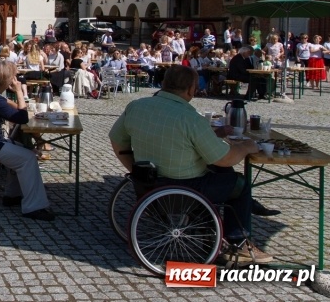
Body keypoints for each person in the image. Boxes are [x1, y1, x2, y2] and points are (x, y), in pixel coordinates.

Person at [109, 65, 276, 263]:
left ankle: (225, 223)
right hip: (186, 188)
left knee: (223, 172)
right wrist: (246, 147)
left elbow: (117, 140)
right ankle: (239, 242)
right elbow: (225, 158)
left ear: (164, 83)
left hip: (149, 184)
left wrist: (135, 170)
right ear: (191, 89)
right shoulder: (191, 119)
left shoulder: (136, 106)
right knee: (239, 184)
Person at [0, 60, 54, 221]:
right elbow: (22, 118)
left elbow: (9, 109)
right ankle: (34, 207)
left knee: (23, 151)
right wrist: (19, 91)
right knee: (28, 158)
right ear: (7, 79)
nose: (16, 78)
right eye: (14, 76)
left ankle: (12, 195)